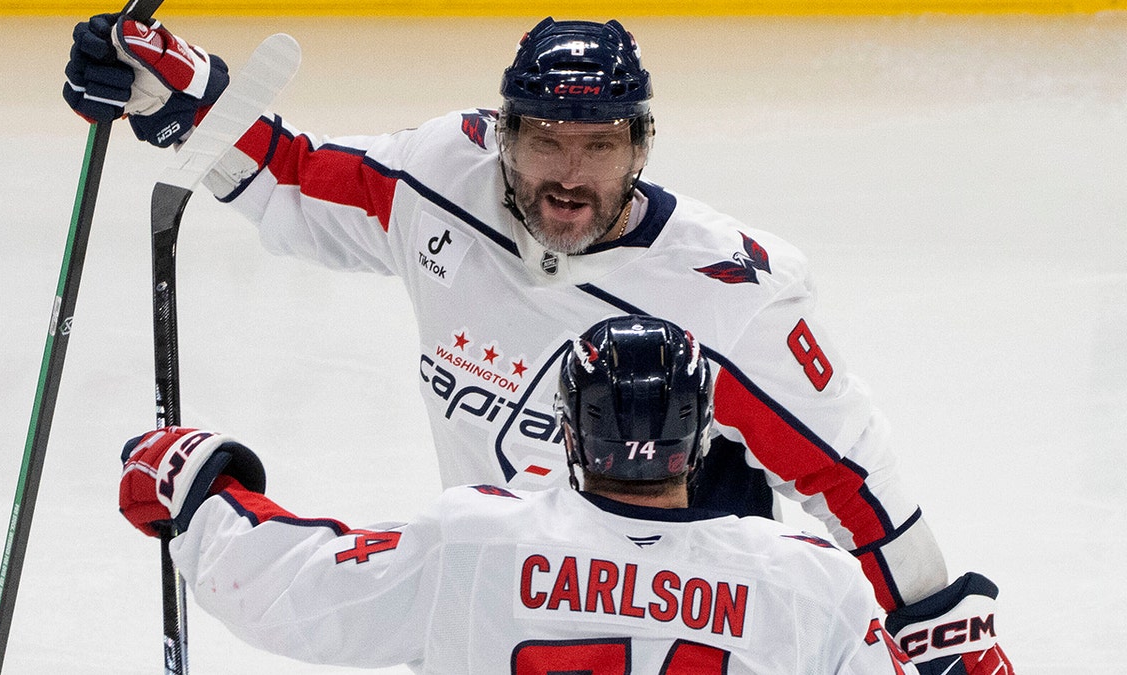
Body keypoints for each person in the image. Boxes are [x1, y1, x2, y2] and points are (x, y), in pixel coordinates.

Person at [69, 15, 1013, 673]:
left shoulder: (726, 293)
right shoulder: (444, 175)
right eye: (546, 142)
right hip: (523, 599)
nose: (570, 174)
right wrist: (182, 98)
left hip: (635, 596)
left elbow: (853, 477)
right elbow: (300, 176)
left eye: (599, 146)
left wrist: (932, 614)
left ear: (640, 146)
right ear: (501, 135)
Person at [119, 315, 921, 673]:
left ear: (570, 431)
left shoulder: (477, 539)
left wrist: (197, 492)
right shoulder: (809, 578)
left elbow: (294, 591)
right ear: (703, 435)